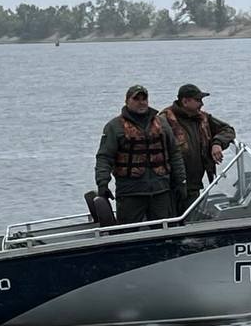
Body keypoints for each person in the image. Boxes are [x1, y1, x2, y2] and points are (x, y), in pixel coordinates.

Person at [94, 84, 186, 224]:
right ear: (127, 101)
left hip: (161, 191)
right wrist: (103, 184)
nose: (141, 102)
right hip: (130, 193)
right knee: (128, 232)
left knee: (165, 231)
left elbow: (174, 153)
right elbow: (104, 158)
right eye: (136, 99)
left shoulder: (162, 123)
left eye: (144, 98)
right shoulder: (114, 126)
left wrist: (180, 182)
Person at [159, 83, 236, 211]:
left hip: (194, 185)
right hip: (170, 185)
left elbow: (228, 130)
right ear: (185, 101)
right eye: (198, 100)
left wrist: (217, 143)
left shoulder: (203, 118)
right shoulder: (163, 120)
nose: (201, 104)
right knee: (172, 220)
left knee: (191, 219)